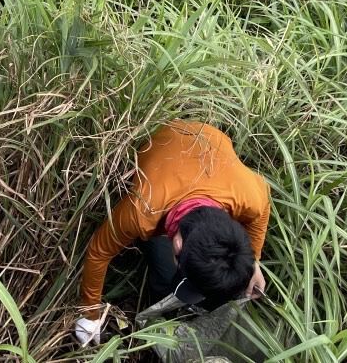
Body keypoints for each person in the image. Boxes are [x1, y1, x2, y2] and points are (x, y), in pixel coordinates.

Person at [74, 120, 270, 346]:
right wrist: (89, 315)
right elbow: (99, 252)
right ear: (176, 243)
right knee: (165, 276)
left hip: (209, 139)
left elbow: (263, 206)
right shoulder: (142, 211)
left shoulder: (249, 196)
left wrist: (253, 260)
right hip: (165, 140)